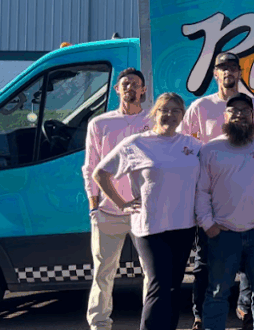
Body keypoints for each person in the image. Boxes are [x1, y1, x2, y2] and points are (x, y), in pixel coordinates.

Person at [179, 51, 254, 330]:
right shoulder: (200, 107)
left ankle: (245, 309)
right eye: (223, 68)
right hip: (213, 202)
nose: (228, 73)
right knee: (206, 268)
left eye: (233, 68)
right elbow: (184, 144)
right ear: (215, 73)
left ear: (239, 72)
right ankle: (201, 316)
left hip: (249, 202)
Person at [92, 93, 202, 330]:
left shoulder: (191, 145)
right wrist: (122, 203)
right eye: (164, 110)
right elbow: (101, 173)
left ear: (182, 115)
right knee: (158, 285)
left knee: (174, 286)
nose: (170, 115)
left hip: (184, 226)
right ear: (154, 114)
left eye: (175, 111)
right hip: (151, 227)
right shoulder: (137, 143)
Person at [196, 94, 254, 330]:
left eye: (245, 111)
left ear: (252, 115)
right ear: (225, 116)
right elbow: (201, 191)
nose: (239, 115)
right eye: (233, 111)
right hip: (222, 234)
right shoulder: (210, 149)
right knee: (217, 291)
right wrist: (208, 224)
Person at [83, 68, 150, 330]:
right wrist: (93, 205)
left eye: (136, 84)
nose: (131, 88)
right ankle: (99, 323)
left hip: (143, 212)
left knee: (151, 273)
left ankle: (150, 321)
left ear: (143, 90)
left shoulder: (153, 122)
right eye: (126, 84)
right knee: (103, 273)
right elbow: (90, 166)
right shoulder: (100, 123)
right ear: (117, 90)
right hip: (108, 212)